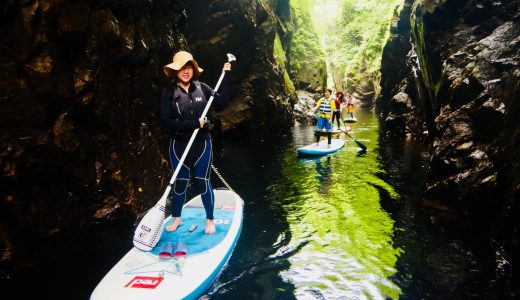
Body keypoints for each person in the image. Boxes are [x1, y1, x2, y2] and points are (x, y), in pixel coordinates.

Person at [160, 50, 231, 234]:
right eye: (182, 68)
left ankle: (209, 219)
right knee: (181, 182)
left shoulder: (203, 88)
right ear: (176, 70)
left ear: (193, 70)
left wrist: (227, 76)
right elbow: (166, 121)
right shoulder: (168, 93)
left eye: (189, 67)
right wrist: (194, 123)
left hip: (202, 143)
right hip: (179, 145)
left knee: (202, 180)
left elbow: (222, 101)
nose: (186, 71)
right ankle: (176, 218)